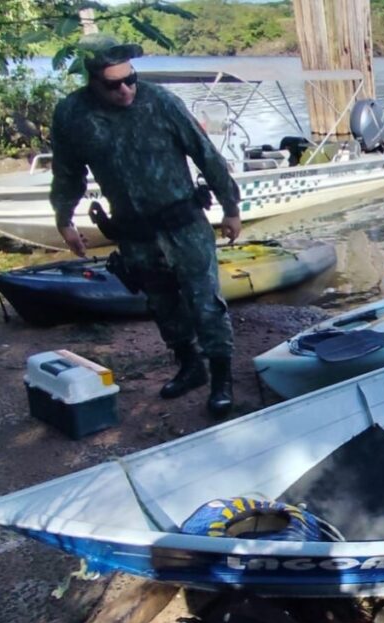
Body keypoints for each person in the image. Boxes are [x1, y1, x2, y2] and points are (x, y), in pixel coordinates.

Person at [49, 37, 242, 417]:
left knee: (206, 303)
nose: (125, 89)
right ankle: (190, 367)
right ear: (92, 81)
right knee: (162, 304)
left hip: (183, 223)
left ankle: (222, 379)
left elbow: (205, 153)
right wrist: (64, 219)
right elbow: (67, 173)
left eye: (131, 79)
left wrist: (231, 207)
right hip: (134, 230)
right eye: (113, 84)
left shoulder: (161, 102)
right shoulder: (72, 115)